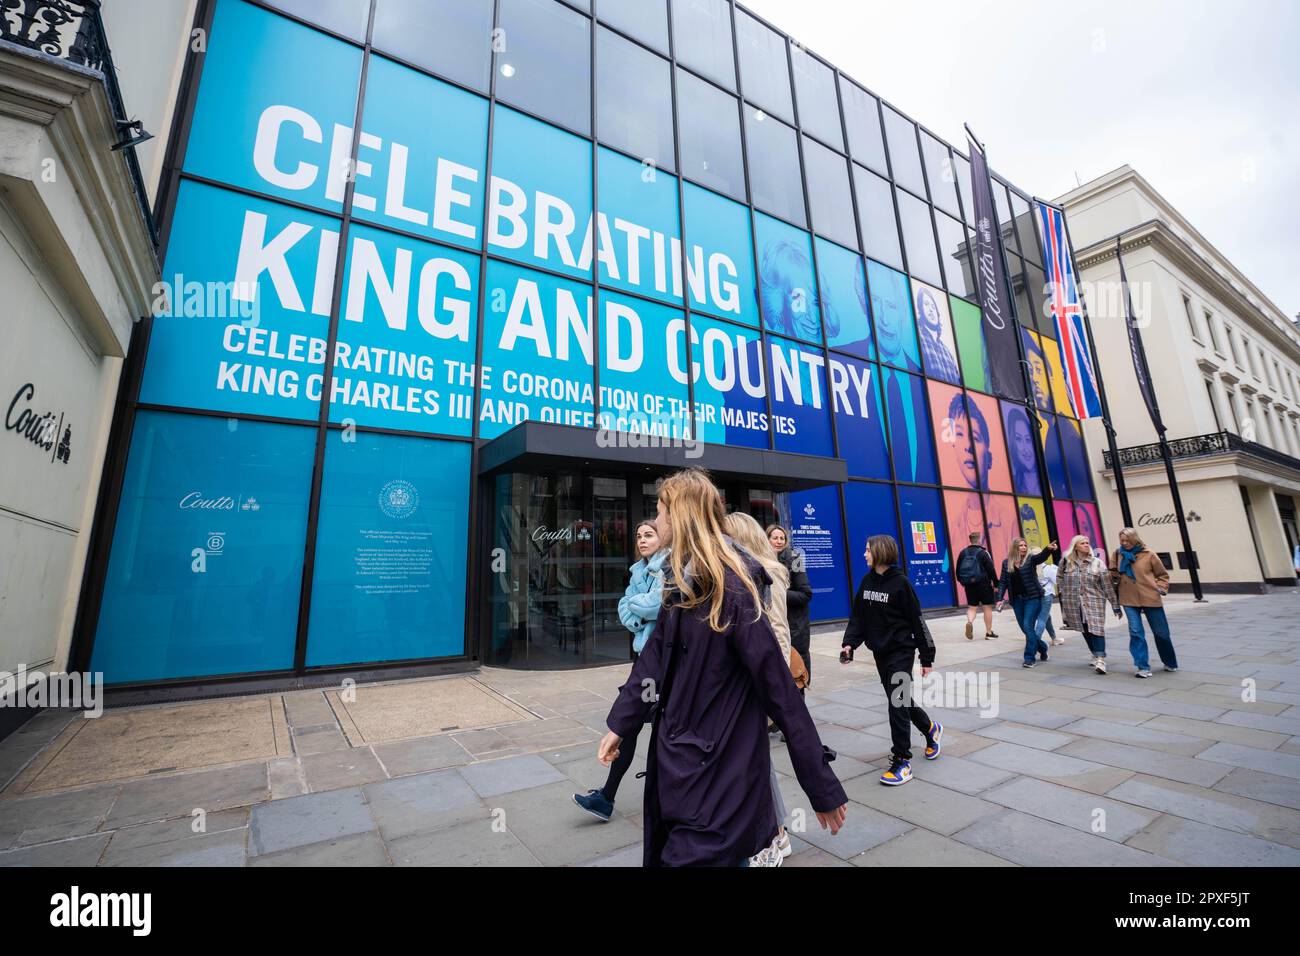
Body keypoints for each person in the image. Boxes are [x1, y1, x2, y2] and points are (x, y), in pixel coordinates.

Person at [600, 469, 847, 867]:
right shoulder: (680, 583)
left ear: (680, 517)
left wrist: (821, 786)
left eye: (661, 512)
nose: (656, 520)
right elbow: (653, 660)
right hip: (679, 763)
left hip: (720, 774)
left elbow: (779, 690)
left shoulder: (731, 591)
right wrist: (620, 724)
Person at [572, 520, 667, 823]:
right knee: (631, 724)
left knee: (642, 724)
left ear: (661, 538)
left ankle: (611, 798)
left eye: (648, 535)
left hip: (661, 663)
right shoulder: (637, 571)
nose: (642, 540)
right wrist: (638, 612)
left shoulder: (669, 567)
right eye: (638, 536)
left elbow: (656, 605)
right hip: (644, 659)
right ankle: (606, 797)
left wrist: (635, 605)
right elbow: (625, 611)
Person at [725, 511, 797, 865]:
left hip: (758, 680)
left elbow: (780, 631)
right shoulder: (740, 573)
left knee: (757, 762)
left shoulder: (770, 574)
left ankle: (776, 837)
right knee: (753, 759)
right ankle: (773, 833)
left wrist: (776, 688)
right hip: (740, 680)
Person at [840, 534, 940, 786]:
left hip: (901, 651)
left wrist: (926, 656)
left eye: (867, 550)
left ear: (880, 552)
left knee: (897, 702)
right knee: (901, 699)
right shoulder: (867, 581)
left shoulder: (901, 584)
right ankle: (930, 728)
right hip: (880, 652)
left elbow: (917, 620)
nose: (864, 554)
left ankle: (902, 761)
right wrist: (849, 643)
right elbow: (859, 617)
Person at [1110, 528, 1178, 678]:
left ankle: (1170, 661)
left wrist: (1161, 587)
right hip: (1128, 597)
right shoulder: (1117, 554)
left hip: (1150, 596)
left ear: (1135, 539)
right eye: (1122, 540)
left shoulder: (1149, 554)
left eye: (1127, 540)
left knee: (1162, 633)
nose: (1124, 543)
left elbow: (1162, 575)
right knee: (1135, 632)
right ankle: (1142, 667)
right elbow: (1112, 573)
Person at [1058, 535, 1123, 675]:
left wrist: (1115, 605)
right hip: (1075, 603)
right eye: (1083, 543)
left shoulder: (1097, 563)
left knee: (1097, 628)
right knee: (1085, 628)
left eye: (1088, 543)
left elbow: (1107, 585)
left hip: (1095, 601)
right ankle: (1094, 653)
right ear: (1075, 546)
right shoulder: (1066, 562)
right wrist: (1064, 593)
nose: (1087, 545)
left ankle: (1100, 659)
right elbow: (1060, 578)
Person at [995, 536, 1059, 668]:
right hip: (1017, 600)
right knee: (1025, 628)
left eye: (1025, 545)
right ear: (1015, 548)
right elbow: (1002, 582)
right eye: (1021, 545)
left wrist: (1048, 549)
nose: (1024, 547)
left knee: (1028, 625)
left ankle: (1029, 658)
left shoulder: (1030, 560)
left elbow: (1040, 557)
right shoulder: (1006, 563)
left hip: (1033, 598)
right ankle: (1042, 647)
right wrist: (999, 598)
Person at [768, 523, 814, 688]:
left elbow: (806, 594)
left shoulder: (795, 558)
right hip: (773, 624)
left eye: (782, 538)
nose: (779, 541)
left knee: (796, 676)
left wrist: (778, 592)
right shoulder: (762, 560)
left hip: (794, 625)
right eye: (775, 538)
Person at [955, 532, 999, 641]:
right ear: (979, 540)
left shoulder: (963, 553)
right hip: (983, 584)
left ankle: (969, 622)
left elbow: (957, 570)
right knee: (987, 607)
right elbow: (991, 569)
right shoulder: (983, 553)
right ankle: (989, 633)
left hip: (969, 585)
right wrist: (996, 583)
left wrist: (963, 582)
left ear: (970, 540)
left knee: (972, 607)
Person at [915, 285, 960, 384]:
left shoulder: (947, 352)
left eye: (933, 306)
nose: (931, 309)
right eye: (926, 304)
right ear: (920, 310)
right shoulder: (918, 339)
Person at [1034, 548, 1061, 645]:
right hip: (1046, 595)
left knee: (1046, 617)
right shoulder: (1048, 568)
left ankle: (1054, 638)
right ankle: (1035, 641)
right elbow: (1057, 581)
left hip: (1035, 596)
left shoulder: (1029, 568)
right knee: (1042, 618)